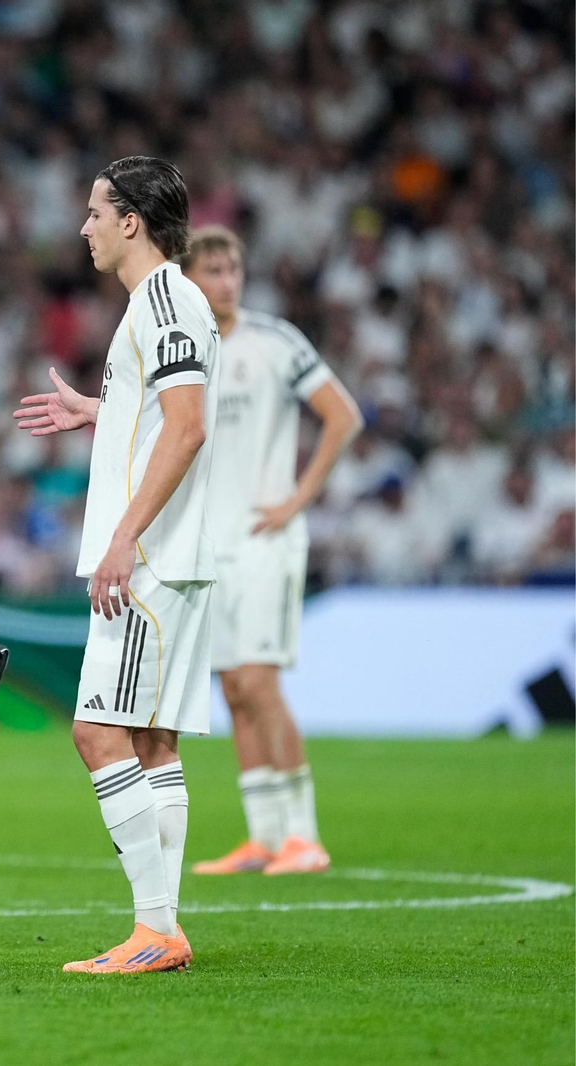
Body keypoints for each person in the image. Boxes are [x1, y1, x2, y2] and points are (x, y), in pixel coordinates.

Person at [12, 156, 219, 974]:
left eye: (96, 211)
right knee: (153, 742)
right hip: (173, 554)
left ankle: (155, 929)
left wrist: (124, 538)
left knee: (99, 733)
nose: (85, 226)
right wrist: (104, 412)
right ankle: (162, 927)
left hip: (154, 560)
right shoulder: (160, 304)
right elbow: (165, 414)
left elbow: (190, 425)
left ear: (132, 220)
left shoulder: (166, 297)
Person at [180, 226, 362, 877]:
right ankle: (263, 838)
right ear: (190, 279)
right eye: (214, 270)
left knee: (260, 680)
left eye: (233, 269)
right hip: (212, 543)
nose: (226, 281)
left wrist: (296, 500)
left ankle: (304, 838)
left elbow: (342, 415)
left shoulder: (275, 340)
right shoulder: (185, 352)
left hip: (265, 540)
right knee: (233, 687)